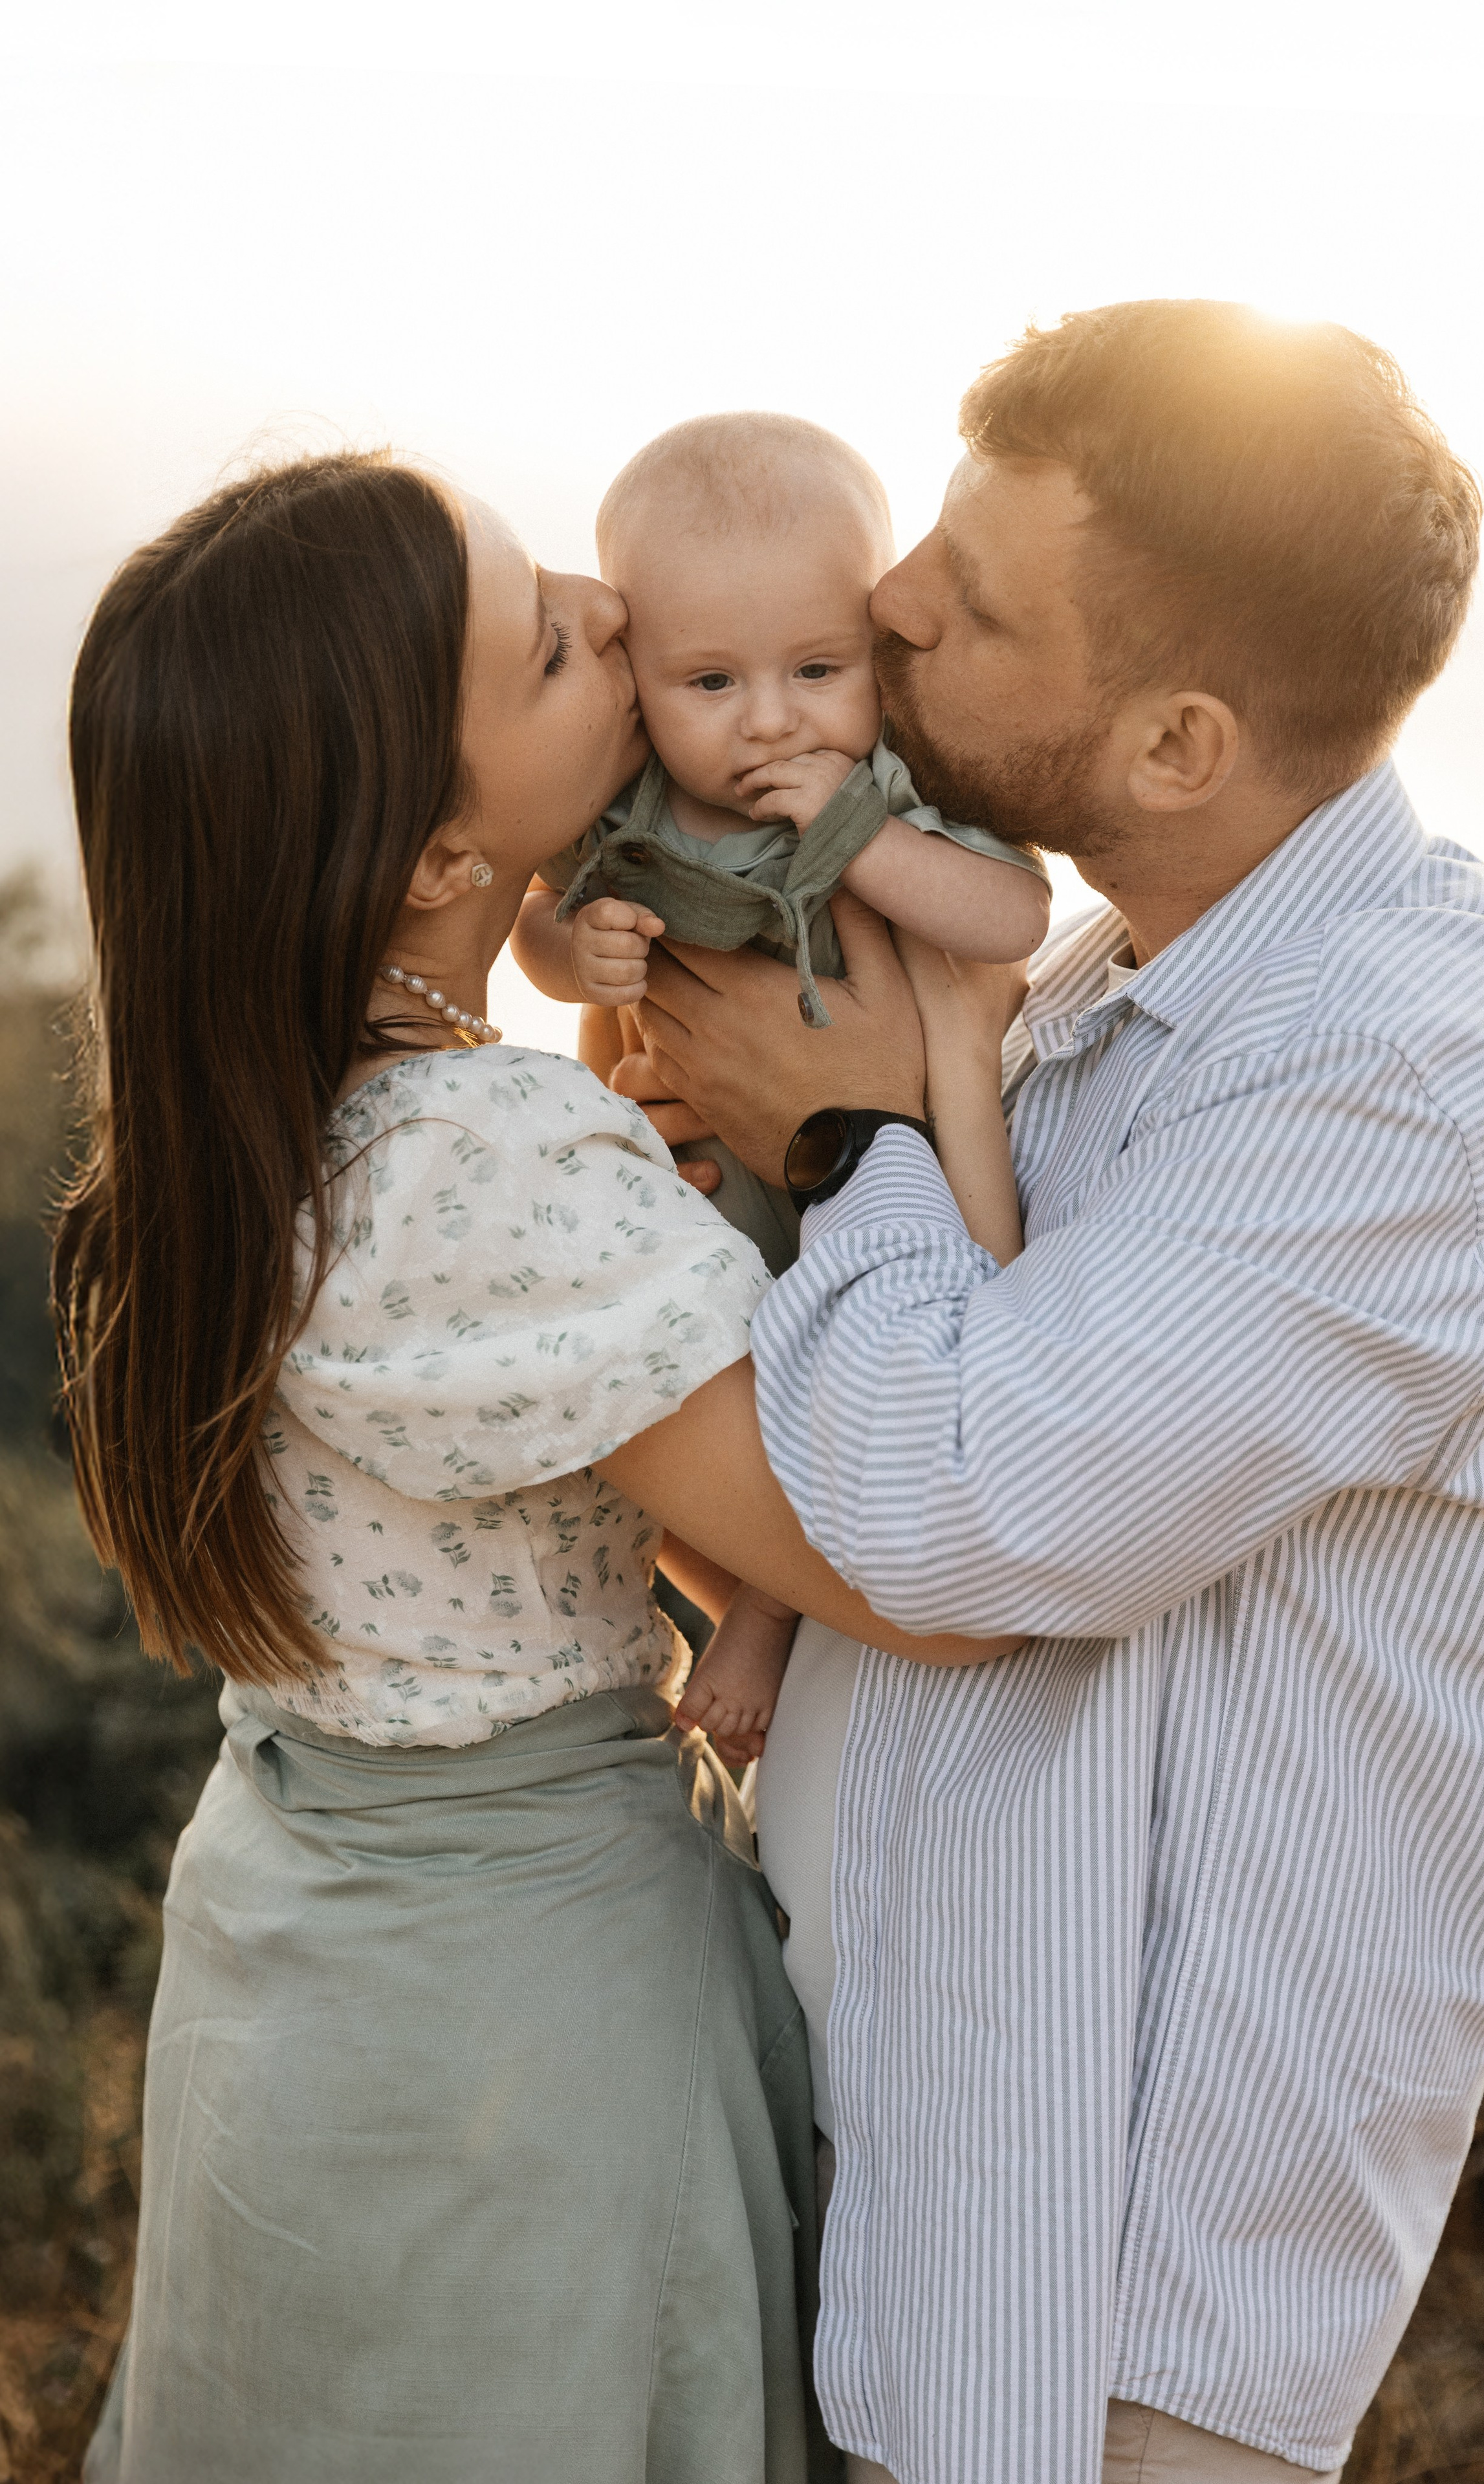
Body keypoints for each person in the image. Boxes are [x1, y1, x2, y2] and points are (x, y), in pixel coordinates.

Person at [621, 303, 1484, 2483]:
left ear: (1176, 745)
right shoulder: (1111, 988)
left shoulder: (1407, 1072)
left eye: (970, 605)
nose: (883, 601)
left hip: (1115, 2311)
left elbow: (953, 1507)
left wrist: (844, 1137)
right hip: (936, 2214)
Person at [56, 450, 1015, 2484]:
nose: (607, 605)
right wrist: (872, 1126)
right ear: (426, 857)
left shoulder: (260, 1134)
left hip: (303, 1980)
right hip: (517, 2022)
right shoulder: (479, 1159)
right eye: (549, 639)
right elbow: (917, 1557)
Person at [512, 412, 1043, 1761]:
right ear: (637, 677)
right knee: (732, 1369)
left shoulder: (885, 786)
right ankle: (747, 1588)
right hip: (710, 1184)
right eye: (708, 683)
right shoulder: (625, 802)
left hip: (886, 1158)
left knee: (897, 1357)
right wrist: (578, 952)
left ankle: (762, 1615)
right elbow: (537, 925)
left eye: (817, 667)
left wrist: (861, 843)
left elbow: (1007, 916)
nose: (768, 720)